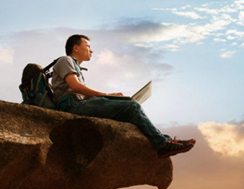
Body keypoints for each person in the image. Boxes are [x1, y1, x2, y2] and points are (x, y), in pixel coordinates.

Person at [52, 34, 195, 158]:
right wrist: (105, 95)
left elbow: (78, 91)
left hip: (79, 105)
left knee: (130, 107)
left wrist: (110, 97)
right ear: (76, 48)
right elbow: (75, 86)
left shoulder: (75, 65)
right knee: (132, 106)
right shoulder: (66, 60)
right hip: (73, 107)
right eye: (88, 46)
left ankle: (167, 141)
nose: (91, 50)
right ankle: (163, 145)